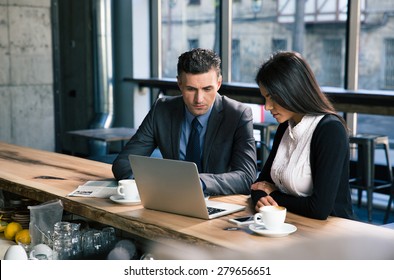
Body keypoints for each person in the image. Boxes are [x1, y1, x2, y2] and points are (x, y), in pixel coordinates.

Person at [112, 48, 256, 195]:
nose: (199, 99)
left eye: (207, 89)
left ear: (218, 84)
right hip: (170, 197)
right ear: (179, 84)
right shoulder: (161, 110)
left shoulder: (238, 114)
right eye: (191, 89)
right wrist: (149, 184)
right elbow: (123, 162)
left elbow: (246, 177)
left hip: (218, 201)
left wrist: (195, 183)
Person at [251, 51, 354, 220]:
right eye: (264, 98)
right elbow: (259, 185)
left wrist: (274, 194)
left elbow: (319, 209)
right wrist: (262, 197)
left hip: (333, 233)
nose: (267, 107)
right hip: (292, 223)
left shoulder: (330, 130)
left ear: (293, 91)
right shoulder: (285, 126)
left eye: (272, 98)